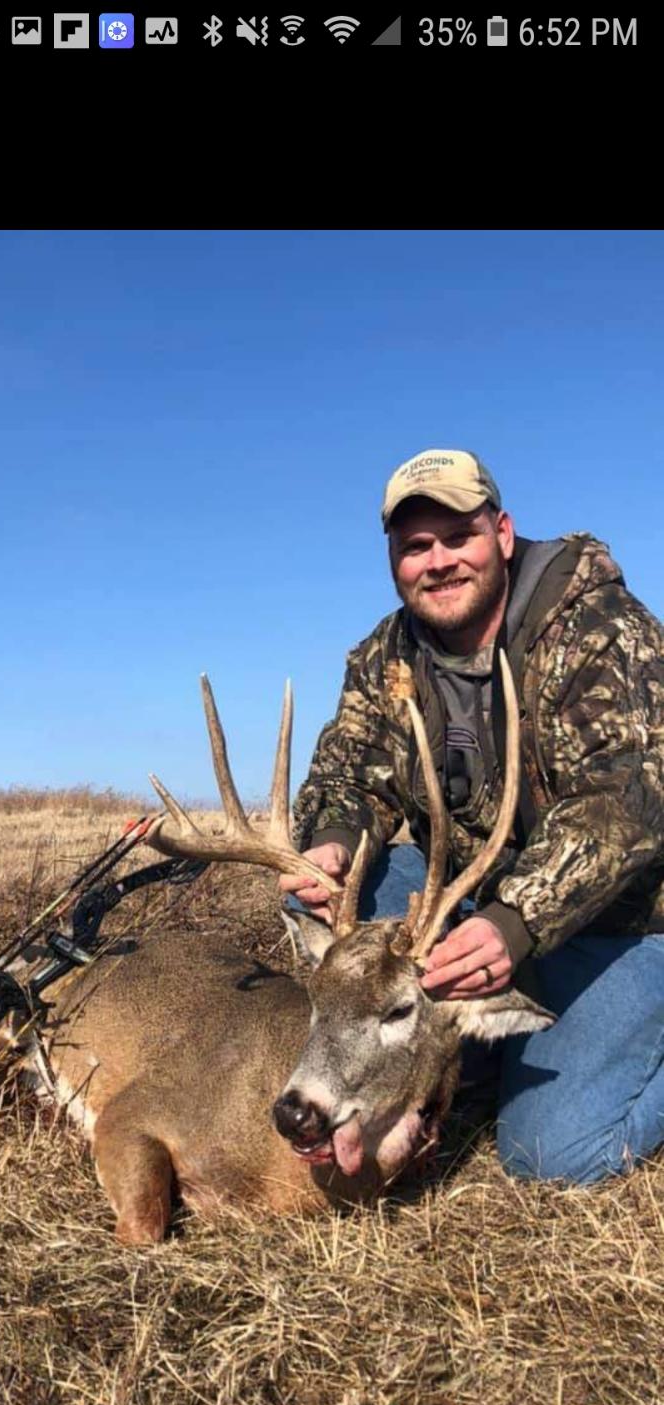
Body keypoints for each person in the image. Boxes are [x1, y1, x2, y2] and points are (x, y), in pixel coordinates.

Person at [281, 448, 664, 1185]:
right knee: (347, 897)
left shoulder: (596, 629)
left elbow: (630, 799)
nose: (439, 562)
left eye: (459, 537)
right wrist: (331, 844)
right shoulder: (389, 656)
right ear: (394, 559)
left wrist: (516, 922)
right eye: (416, 546)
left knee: (552, 1152)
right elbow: (348, 772)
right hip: (478, 905)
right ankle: (470, 1054)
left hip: (627, 922)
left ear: (503, 534)